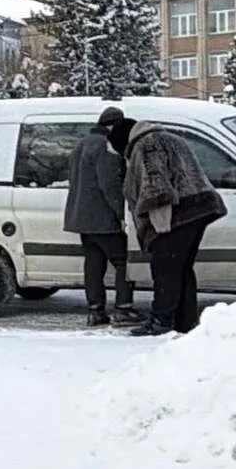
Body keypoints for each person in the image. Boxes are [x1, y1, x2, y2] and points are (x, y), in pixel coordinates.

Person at [122, 120, 227, 337]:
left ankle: (161, 320)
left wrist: (160, 226)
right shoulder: (173, 138)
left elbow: (156, 187)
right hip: (201, 208)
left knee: (165, 269)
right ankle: (185, 321)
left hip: (177, 214)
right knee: (182, 268)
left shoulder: (146, 145)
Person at [67, 108, 140, 327]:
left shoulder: (81, 144)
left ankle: (95, 310)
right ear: (113, 126)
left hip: (82, 218)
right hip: (104, 218)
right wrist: (123, 213)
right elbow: (110, 183)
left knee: (94, 265)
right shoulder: (106, 146)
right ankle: (123, 309)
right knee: (124, 263)